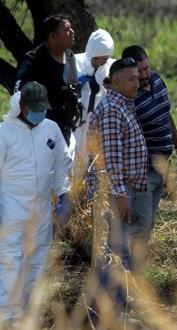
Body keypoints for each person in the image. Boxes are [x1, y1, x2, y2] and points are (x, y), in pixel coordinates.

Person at [0, 82, 72, 324]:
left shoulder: (50, 129)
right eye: (36, 108)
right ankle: (9, 318)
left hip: (41, 210)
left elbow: (62, 165)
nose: (41, 113)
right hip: (10, 209)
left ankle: (31, 315)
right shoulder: (4, 133)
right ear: (22, 107)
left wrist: (64, 195)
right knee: (11, 263)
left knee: (39, 260)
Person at [86, 58, 148, 318]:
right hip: (113, 193)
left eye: (138, 77)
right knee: (115, 251)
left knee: (115, 250)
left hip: (121, 190)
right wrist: (121, 194)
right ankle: (108, 313)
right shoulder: (113, 109)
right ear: (117, 81)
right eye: (132, 79)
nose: (138, 82)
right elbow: (110, 160)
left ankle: (109, 308)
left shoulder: (123, 105)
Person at [121, 45, 177, 269]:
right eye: (139, 72)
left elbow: (166, 114)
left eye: (146, 68)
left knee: (147, 224)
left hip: (162, 166)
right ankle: (130, 278)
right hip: (143, 173)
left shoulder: (158, 81)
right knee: (141, 226)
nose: (144, 74)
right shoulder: (129, 98)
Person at [15, 14, 80, 147]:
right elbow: (19, 95)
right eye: (67, 30)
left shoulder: (70, 57)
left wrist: (74, 100)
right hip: (39, 132)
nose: (72, 33)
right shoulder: (34, 61)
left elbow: (73, 84)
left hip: (64, 131)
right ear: (52, 36)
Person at [74, 28, 116, 159]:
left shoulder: (112, 68)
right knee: (75, 155)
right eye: (99, 58)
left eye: (105, 58)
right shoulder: (75, 64)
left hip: (98, 122)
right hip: (77, 121)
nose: (102, 62)